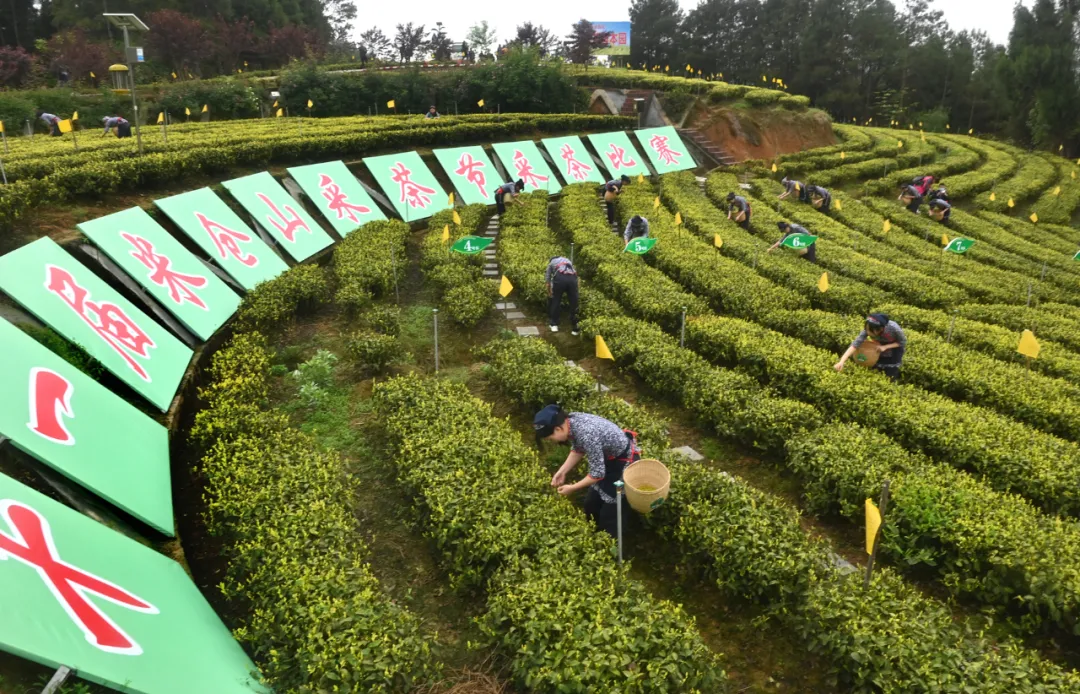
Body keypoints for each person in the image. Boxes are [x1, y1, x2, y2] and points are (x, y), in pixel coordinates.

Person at [534, 405, 640, 538]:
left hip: (623, 462)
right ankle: (593, 535)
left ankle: (610, 544)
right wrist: (562, 471)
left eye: (550, 438)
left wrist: (572, 488)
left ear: (558, 429)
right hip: (607, 459)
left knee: (611, 513)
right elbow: (578, 449)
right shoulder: (570, 422)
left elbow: (597, 474)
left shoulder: (586, 433)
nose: (552, 441)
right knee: (591, 505)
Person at [834, 313, 907, 382]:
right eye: (866, 330)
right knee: (876, 371)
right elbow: (855, 344)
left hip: (894, 350)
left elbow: (902, 342)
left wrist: (885, 347)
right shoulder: (868, 329)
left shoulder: (894, 328)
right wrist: (842, 361)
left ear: (880, 329)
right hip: (878, 348)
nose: (867, 333)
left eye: (870, 332)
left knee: (890, 374)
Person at [545, 255, 579, 335]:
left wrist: (549, 292)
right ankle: (575, 328)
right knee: (574, 303)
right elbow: (575, 273)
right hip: (572, 279)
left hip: (560, 279)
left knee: (556, 300)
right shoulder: (568, 261)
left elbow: (548, 279)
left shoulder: (551, 263)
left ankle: (554, 324)